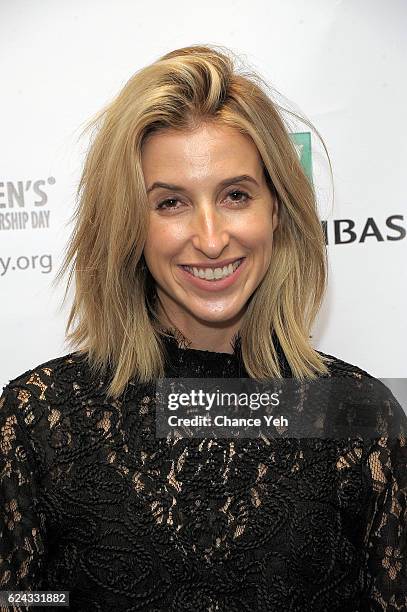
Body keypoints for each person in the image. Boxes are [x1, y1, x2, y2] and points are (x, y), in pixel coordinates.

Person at [0, 44, 406, 612]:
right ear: (126, 225)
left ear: (278, 210)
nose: (212, 238)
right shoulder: (38, 422)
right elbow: (23, 601)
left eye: (235, 195)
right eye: (170, 203)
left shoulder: (360, 416)